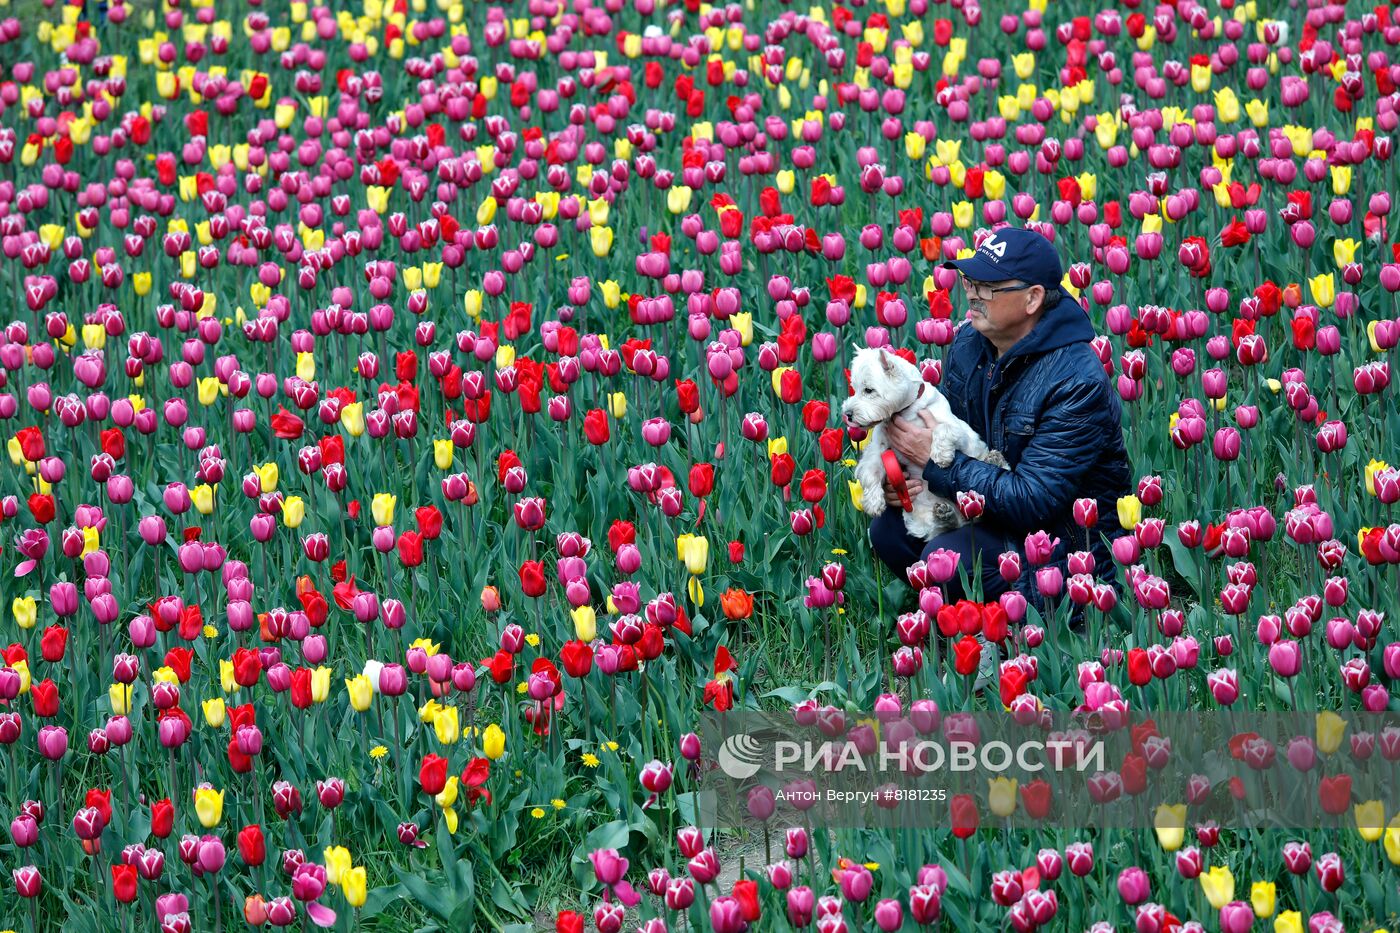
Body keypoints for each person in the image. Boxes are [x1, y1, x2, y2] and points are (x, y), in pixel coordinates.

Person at [868, 226, 1132, 607]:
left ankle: (1032, 628)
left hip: (1061, 543)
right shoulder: (968, 345)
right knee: (888, 532)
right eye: (969, 281)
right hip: (986, 508)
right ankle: (969, 620)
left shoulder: (1076, 382)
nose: (972, 293)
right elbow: (955, 434)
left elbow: (1034, 499)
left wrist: (936, 464)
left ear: (1032, 299)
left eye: (988, 285)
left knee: (944, 560)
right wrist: (906, 477)